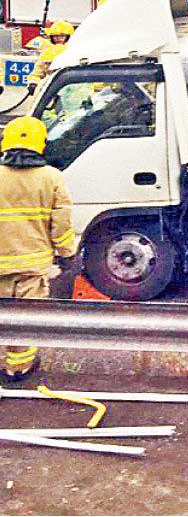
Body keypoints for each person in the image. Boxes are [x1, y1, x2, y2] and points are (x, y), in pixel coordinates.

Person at [0, 117, 77, 382]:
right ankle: (17, 369)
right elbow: (62, 224)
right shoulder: (52, 178)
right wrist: (67, 253)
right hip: (31, 268)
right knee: (23, 320)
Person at [27, 20, 74, 85]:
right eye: (55, 36)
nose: (58, 38)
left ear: (69, 36)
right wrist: (33, 83)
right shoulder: (48, 52)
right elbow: (36, 74)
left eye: (62, 36)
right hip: (50, 87)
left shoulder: (75, 51)